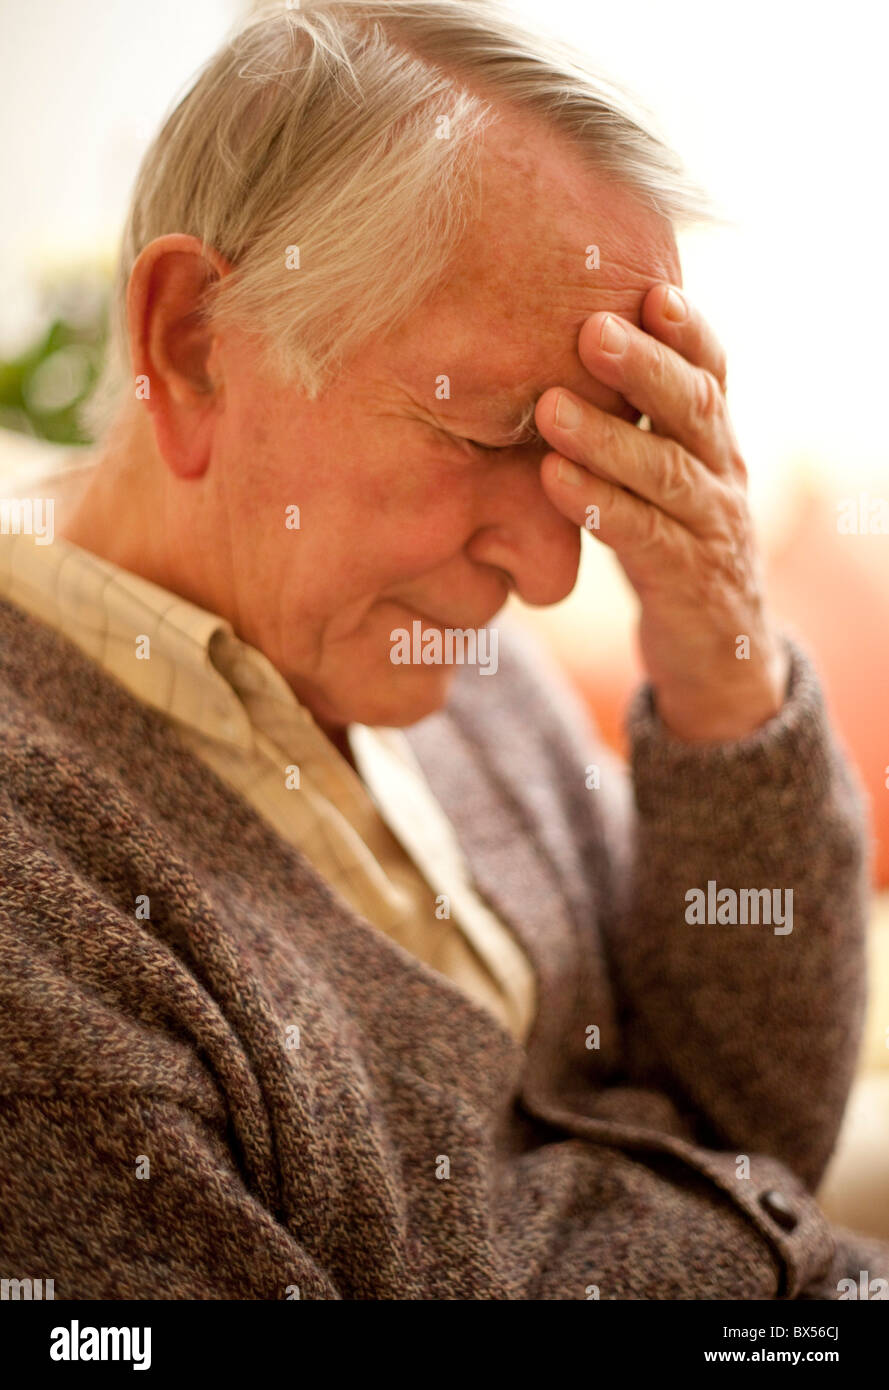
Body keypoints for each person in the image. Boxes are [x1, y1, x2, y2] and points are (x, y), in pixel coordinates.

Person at [1, 0, 885, 1300]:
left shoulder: (450, 656)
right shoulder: (37, 883)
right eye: (488, 435)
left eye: (603, 440)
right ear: (188, 342)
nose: (545, 569)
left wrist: (720, 670)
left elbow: (752, 1132)